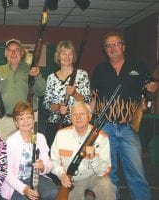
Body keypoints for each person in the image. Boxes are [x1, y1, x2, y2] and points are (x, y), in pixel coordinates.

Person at [91, 31, 158, 200]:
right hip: (105, 128)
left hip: (129, 127)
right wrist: (89, 123)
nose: (113, 48)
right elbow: (94, 98)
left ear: (123, 46)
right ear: (105, 50)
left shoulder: (138, 66)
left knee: (136, 172)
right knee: (109, 173)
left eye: (116, 44)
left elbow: (150, 87)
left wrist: (153, 88)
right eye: (108, 45)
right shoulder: (100, 69)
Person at [51, 102, 116, 200]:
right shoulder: (61, 135)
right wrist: (62, 175)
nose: (78, 117)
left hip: (94, 176)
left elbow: (104, 171)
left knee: (106, 186)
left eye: (82, 114)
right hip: (72, 179)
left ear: (89, 117)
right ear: (70, 117)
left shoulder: (102, 137)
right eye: (74, 114)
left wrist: (94, 159)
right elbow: (53, 162)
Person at [0, 39, 46, 139]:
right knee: (3, 150)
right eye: (10, 50)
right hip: (4, 120)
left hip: (28, 120)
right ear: (5, 53)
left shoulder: (31, 69)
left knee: (30, 148)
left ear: (22, 53)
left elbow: (41, 91)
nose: (13, 53)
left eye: (17, 50)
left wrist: (37, 75)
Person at [1, 101, 58, 200]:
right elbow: (6, 173)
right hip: (17, 182)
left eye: (29, 117)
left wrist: (43, 166)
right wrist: (24, 189)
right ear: (16, 122)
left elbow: (49, 164)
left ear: (33, 119)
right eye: (21, 118)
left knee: (53, 192)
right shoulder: (11, 141)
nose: (26, 121)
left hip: (38, 178)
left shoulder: (40, 137)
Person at [43, 40, 91, 147]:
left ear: (73, 56)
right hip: (55, 124)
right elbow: (46, 103)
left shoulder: (82, 75)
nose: (67, 57)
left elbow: (87, 100)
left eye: (70, 54)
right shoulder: (51, 78)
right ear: (58, 56)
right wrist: (58, 107)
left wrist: (75, 93)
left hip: (77, 124)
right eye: (63, 54)